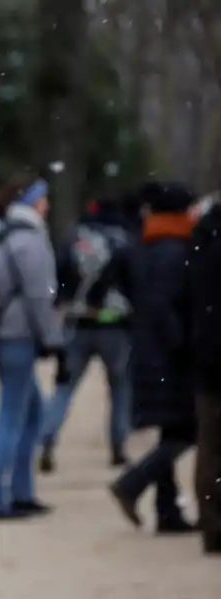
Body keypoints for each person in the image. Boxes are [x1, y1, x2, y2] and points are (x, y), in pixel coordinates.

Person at [110, 182, 198, 534]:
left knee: (172, 429)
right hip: (170, 356)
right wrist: (182, 345)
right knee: (188, 430)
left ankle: (167, 510)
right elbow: (166, 308)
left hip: (149, 350)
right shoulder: (176, 250)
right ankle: (132, 483)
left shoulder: (141, 246)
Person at [0, 172, 64, 520]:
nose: (48, 204)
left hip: (4, 333)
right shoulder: (28, 239)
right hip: (18, 335)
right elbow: (39, 296)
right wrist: (54, 340)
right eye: (43, 197)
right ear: (32, 202)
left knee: (31, 413)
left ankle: (21, 491)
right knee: (12, 417)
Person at [39, 198, 136, 472]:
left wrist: (65, 301)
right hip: (115, 324)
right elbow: (133, 281)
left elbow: (58, 276)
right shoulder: (124, 239)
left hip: (77, 321)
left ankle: (47, 437)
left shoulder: (74, 237)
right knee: (119, 388)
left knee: (64, 386)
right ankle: (118, 445)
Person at [191, 193, 221, 554]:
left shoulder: (199, 245)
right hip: (213, 353)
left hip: (204, 355)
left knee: (209, 446)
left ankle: (211, 523)